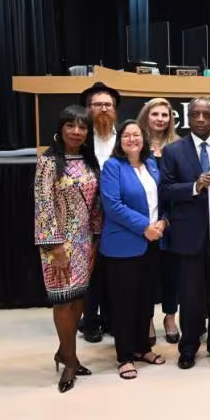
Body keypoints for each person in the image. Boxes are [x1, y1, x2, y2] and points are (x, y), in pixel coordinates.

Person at [160, 97, 210, 369]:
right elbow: (166, 190)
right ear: (188, 118)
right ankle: (189, 347)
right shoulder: (173, 151)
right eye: (196, 115)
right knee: (191, 298)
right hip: (189, 237)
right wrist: (194, 186)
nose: (202, 120)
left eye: (207, 115)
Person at [34, 105, 102, 393]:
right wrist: (55, 246)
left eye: (82, 127)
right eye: (70, 126)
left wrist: (96, 238)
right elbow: (43, 205)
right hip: (58, 244)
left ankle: (65, 352)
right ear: (61, 128)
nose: (76, 131)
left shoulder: (88, 161)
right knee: (62, 301)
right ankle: (70, 362)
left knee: (78, 300)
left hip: (85, 241)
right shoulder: (48, 162)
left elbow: (96, 203)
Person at [100, 120, 168, 380]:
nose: (132, 139)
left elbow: (160, 199)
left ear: (144, 139)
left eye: (136, 135)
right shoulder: (112, 167)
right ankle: (125, 356)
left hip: (152, 244)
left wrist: (163, 221)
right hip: (123, 246)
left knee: (144, 300)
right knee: (124, 303)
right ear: (120, 141)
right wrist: (144, 227)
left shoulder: (151, 165)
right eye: (126, 135)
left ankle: (142, 348)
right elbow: (113, 205)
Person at [78, 81, 120, 343]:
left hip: (117, 214)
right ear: (87, 109)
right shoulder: (80, 140)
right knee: (91, 269)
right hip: (87, 215)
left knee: (115, 269)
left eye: (108, 105)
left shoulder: (125, 137)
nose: (103, 109)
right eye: (97, 105)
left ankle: (113, 318)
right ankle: (90, 320)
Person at [136, 98, 180, 345]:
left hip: (171, 220)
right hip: (144, 220)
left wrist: (167, 219)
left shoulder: (176, 146)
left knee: (171, 273)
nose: (160, 119)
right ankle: (148, 320)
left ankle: (170, 318)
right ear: (146, 116)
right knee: (147, 274)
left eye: (165, 115)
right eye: (155, 114)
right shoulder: (134, 145)